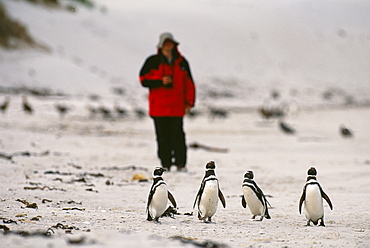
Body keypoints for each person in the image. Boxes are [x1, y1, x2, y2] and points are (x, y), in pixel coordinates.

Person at [139, 32, 196, 172]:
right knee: (162, 137)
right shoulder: (153, 61)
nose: (168, 45)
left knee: (178, 136)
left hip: (176, 106)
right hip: (159, 106)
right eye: (166, 43)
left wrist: (189, 101)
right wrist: (159, 81)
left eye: (171, 42)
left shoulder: (182, 62)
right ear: (161, 44)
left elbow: (189, 83)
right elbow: (143, 80)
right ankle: (165, 164)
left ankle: (181, 164)